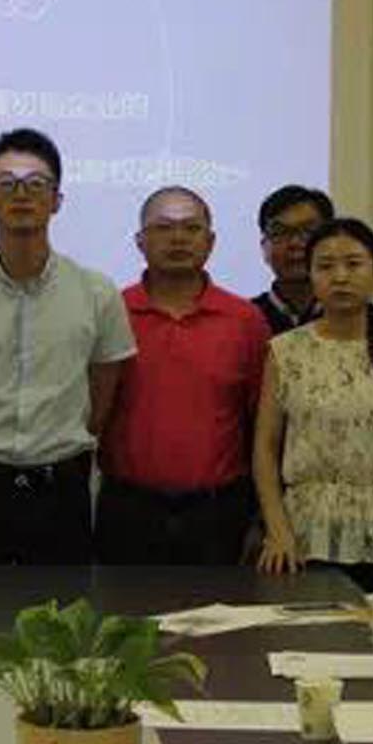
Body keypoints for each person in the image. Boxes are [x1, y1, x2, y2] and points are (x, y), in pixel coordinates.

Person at [0, 128, 135, 565]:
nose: (21, 194)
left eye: (36, 183)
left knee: (65, 605)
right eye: (7, 183)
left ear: (57, 200)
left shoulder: (97, 292)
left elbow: (102, 393)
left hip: (62, 481)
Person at [256, 218, 373, 593]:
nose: (340, 277)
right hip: (305, 538)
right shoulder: (285, 351)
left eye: (354, 264)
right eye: (325, 266)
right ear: (310, 275)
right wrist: (277, 530)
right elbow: (265, 448)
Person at [97, 187, 269, 565]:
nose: (178, 238)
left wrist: (262, 518)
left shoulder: (245, 321)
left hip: (219, 514)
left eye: (191, 228)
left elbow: (263, 427)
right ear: (140, 242)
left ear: (210, 242)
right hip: (129, 512)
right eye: (163, 227)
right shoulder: (111, 313)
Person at [253, 184, 334, 337]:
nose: (295, 243)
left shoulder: (361, 318)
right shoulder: (243, 320)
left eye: (308, 231)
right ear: (264, 247)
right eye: (280, 232)